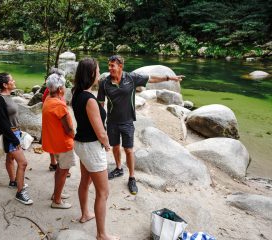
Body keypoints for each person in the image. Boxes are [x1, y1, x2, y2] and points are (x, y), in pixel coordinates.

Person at [97, 55, 184, 195]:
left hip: (127, 121)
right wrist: (100, 125)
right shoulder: (104, 83)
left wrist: (169, 78)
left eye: (112, 65)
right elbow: (100, 105)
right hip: (112, 121)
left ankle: (132, 177)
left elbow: (151, 78)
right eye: (109, 65)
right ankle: (119, 168)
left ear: (120, 66)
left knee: (129, 150)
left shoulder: (131, 78)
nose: (110, 68)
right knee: (115, 146)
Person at [72, 58, 119, 240]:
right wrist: (107, 144)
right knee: (103, 192)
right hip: (91, 147)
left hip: (81, 144)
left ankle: (85, 214)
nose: (100, 74)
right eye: (98, 71)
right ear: (91, 73)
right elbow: (100, 132)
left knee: (85, 181)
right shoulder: (89, 99)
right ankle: (101, 235)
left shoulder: (77, 93)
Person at [0, 73, 33, 205]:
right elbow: (3, 124)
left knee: (11, 158)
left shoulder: (9, 97)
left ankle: (13, 181)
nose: (14, 81)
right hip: (10, 135)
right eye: (11, 80)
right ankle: (20, 193)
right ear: (5, 85)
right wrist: (15, 140)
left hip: (16, 132)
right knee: (23, 163)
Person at [42, 73, 76, 209]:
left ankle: (56, 194)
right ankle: (57, 201)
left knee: (59, 170)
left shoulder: (48, 100)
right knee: (63, 171)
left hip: (54, 143)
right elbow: (68, 129)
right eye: (64, 86)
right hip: (63, 143)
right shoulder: (59, 105)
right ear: (60, 89)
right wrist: (75, 136)